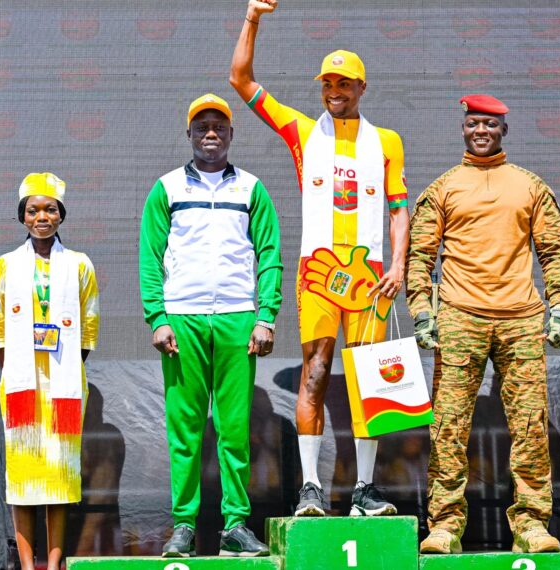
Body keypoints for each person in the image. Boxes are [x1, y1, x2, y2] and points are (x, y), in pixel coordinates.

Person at [230, 0, 410, 518]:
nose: (333, 92)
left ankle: (365, 490)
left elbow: (400, 209)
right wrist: (253, 17)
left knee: (371, 379)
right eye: (327, 84)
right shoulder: (304, 133)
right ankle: (310, 488)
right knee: (315, 371)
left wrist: (398, 265)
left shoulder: (386, 142)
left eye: (343, 84)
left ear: (361, 88)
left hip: (372, 278)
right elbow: (241, 79)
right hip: (320, 276)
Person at [405, 94, 560, 554]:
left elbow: (554, 253)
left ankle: (533, 524)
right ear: (463, 128)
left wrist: (559, 306)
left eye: (490, 125)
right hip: (459, 315)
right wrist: (422, 311)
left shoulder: (530, 186)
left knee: (530, 426)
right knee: (449, 425)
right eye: (474, 123)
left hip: (521, 317)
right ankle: (444, 525)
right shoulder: (443, 188)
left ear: (503, 130)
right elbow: (419, 257)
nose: (481, 131)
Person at [139, 93, 283, 557]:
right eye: (201, 126)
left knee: (235, 429)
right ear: (189, 134)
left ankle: (235, 525)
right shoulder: (166, 189)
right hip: (182, 320)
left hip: (238, 320)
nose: (210, 134)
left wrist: (265, 316)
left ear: (231, 134)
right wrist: (158, 317)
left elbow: (269, 256)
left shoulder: (252, 189)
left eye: (219, 126)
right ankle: (183, 526)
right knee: (185, 430)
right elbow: (149, 257)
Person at [0, 172, 100, 570]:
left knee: (59, 477)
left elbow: (89, 324)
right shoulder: (7, 265)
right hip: (20, 387)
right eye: (33, 210)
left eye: (50, 209)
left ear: (61, 215)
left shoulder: (80, 265)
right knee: (22, 478)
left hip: (64, 387)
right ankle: (27, 562)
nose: (42, 217)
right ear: (22, 217)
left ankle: (53, 563)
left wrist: (64, 368)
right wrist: (18, 367)